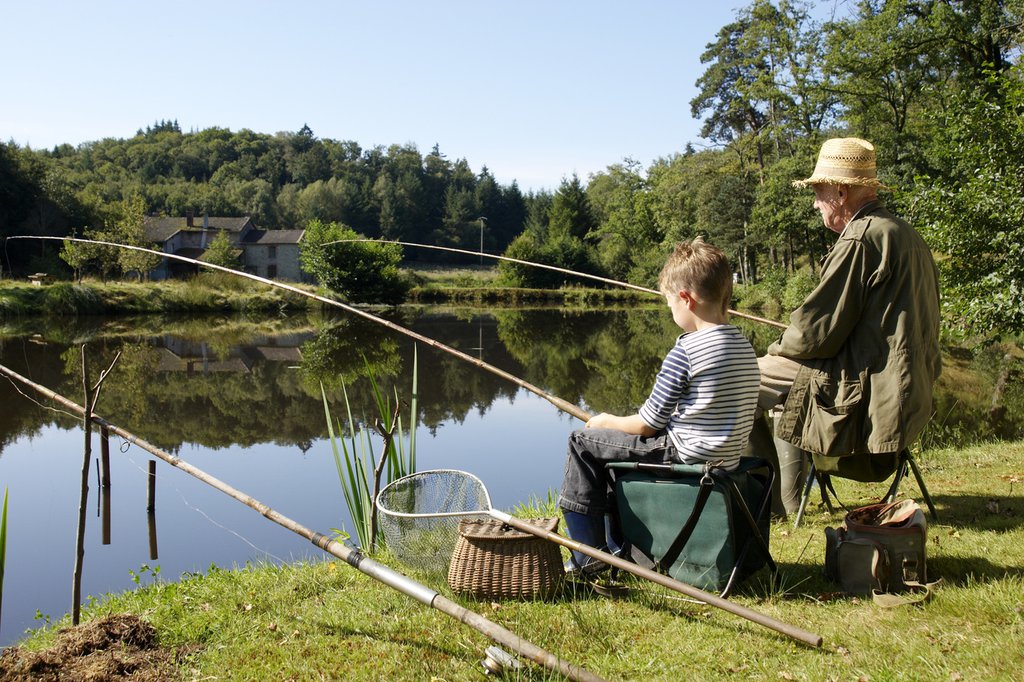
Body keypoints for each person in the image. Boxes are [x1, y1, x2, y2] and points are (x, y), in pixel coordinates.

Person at [751, 137, 942, 515]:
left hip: (869, 384)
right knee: (778, 391)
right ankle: (788, 499)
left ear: (840, 191)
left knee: (737, 381)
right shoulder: (904, 233)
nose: (815, 201)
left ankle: (765, 505)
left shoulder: (860, 238)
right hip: (902, 384)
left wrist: (777, 347)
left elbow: (813, 332)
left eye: (819, 192)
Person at [557, 238, 762, 572]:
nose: (672, 312)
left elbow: (647, 424)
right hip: (727, 457)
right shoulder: (742, 344)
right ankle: (617, 547)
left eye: (670, 304)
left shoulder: (686, 351)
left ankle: (587, 557)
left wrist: (605, 420)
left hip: (684, 453)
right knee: (610, 452)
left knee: (582, 443)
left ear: (685, 298)